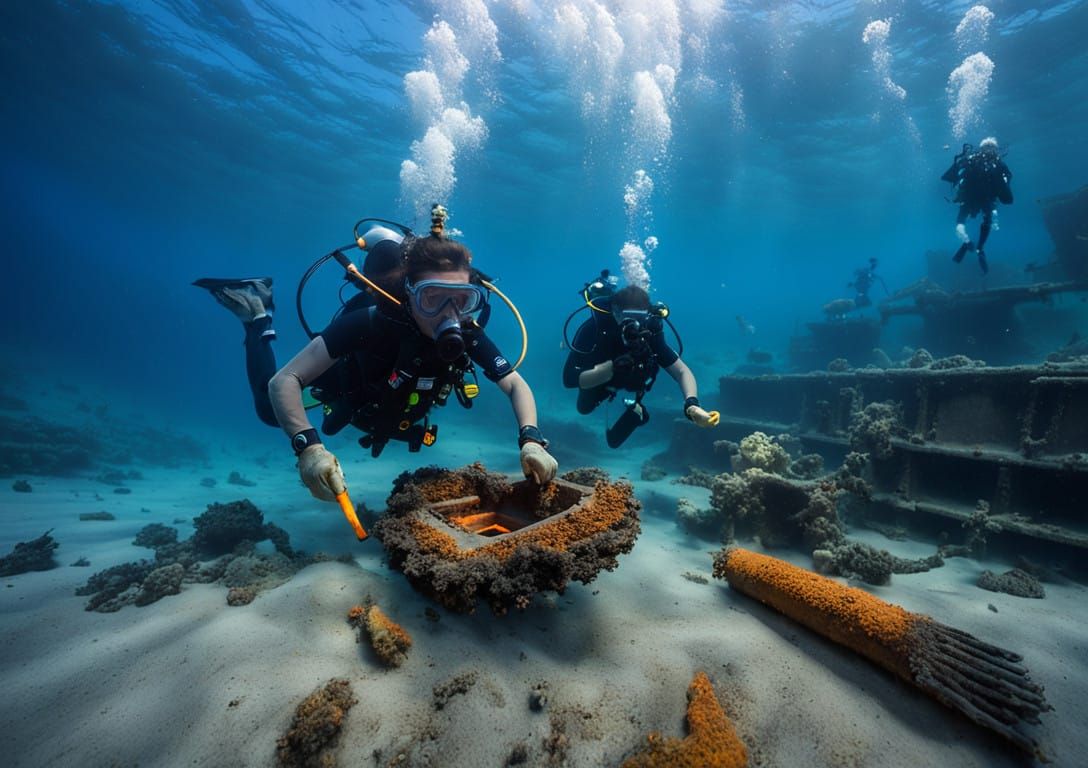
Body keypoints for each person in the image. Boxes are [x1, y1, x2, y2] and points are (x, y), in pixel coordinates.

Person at [195, 216, 558, 503]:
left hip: (394, 412)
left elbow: (513, 383)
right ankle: (257, 314)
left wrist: (531, 440)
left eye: (462, 299)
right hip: (350, 391)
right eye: (433, 298)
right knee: (265, 407)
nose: (450, 314)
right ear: (410, 295)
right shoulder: (371, 322)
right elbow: (284, 382)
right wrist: (309, 448)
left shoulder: (468, 331)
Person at [562, 274, 718, 448]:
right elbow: (569, 378)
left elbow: (681, 371)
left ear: (647, 315)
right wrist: (608, 370)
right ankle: (628, 403)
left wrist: (692, 405)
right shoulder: (594, 329)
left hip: (635, 379)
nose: (634, 324)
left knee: (614, 441)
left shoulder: (651, 331)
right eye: (628, 316)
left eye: (640, 317)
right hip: (600, 377)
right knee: (583, 408)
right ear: (614, 311)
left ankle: (636, 408)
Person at [941, 136, 1014, 274]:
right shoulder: (998, 164)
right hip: (986, 199)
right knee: (988, 219)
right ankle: (980, 248)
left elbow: (950, 176)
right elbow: (1007, 186)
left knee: (960, 222)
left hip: (970, 199)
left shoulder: (971, 159)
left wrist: (961, 158)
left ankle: (967, 242)